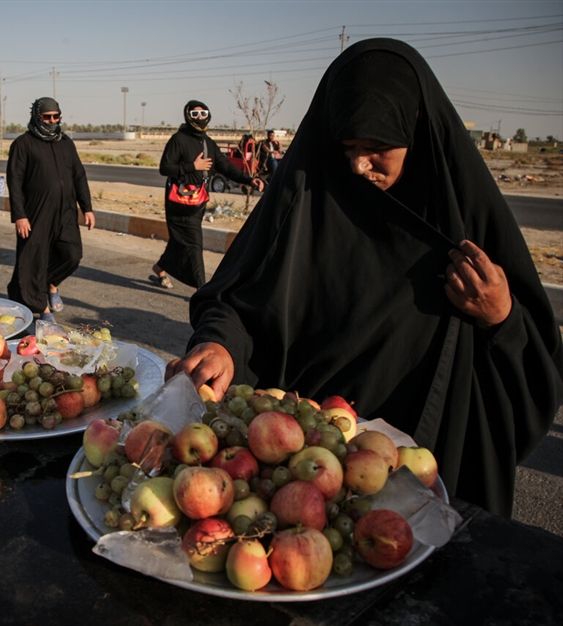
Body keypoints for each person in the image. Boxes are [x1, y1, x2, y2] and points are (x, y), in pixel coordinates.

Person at [166, 38, 563, 518]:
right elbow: (238, 296)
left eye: (377, 148)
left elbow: (535, 366)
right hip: (303, 468)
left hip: (421, 468)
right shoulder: (306, 200)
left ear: (417, 133)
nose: (358, 165)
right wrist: (221, 342)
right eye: (348, 147)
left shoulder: (464, 221)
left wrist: (501, 318)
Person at [150, 101, 262, 290]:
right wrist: (193, 166)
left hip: (198, 201)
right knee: (194, 243)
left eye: (204, 114)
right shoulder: (178, 139)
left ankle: (160, 268)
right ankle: (203, 291)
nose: (200, 118)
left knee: (180, 241)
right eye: (195, 114)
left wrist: (249, 180)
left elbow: (225, 166)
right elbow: (165, 168)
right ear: (187, 116)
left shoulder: (207, 142)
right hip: (178, 203)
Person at [6, 97, 95, 322]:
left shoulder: (65, 142)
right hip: (36, 212)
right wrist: (20, 215)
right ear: (37, 117)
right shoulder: (23, 144)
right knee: (33, 260)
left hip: (65, 211)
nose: (52, 121)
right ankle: (42, 309)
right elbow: (14, 181)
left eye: (56, 117)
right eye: (47, 117)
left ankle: (51, 284)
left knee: (72, 254)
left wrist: (87, 207)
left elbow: (78, 175)